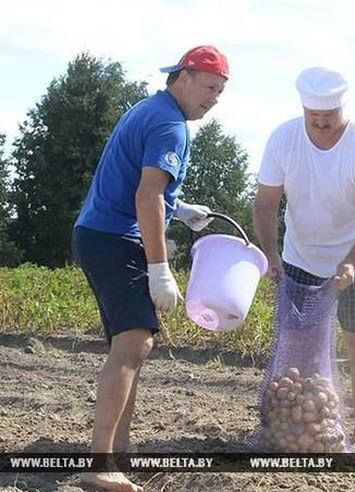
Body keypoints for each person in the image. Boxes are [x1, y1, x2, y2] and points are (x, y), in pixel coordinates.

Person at [72, 45, 229, 491]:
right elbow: (146, 198)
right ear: (182, 78)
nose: (214, 97)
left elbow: (146, 188)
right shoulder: (170, 124)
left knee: (132, 346)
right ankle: (101, 464)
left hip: (97, 234)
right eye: (209, 87)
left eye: (220, 91)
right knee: (134, 345)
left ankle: (116, 453)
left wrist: (179, 210)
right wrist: (160, 269)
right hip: (114, 239)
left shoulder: (151, 109)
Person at [253, 66, 355, 452]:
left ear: (342, 110)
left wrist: (350, 261)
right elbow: (266, 203)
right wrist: (272, 252)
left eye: (327, 119)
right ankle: (294, 427)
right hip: (300, 257)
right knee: (300, 345)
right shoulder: (284, 139)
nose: (319, 125)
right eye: (313, 118)